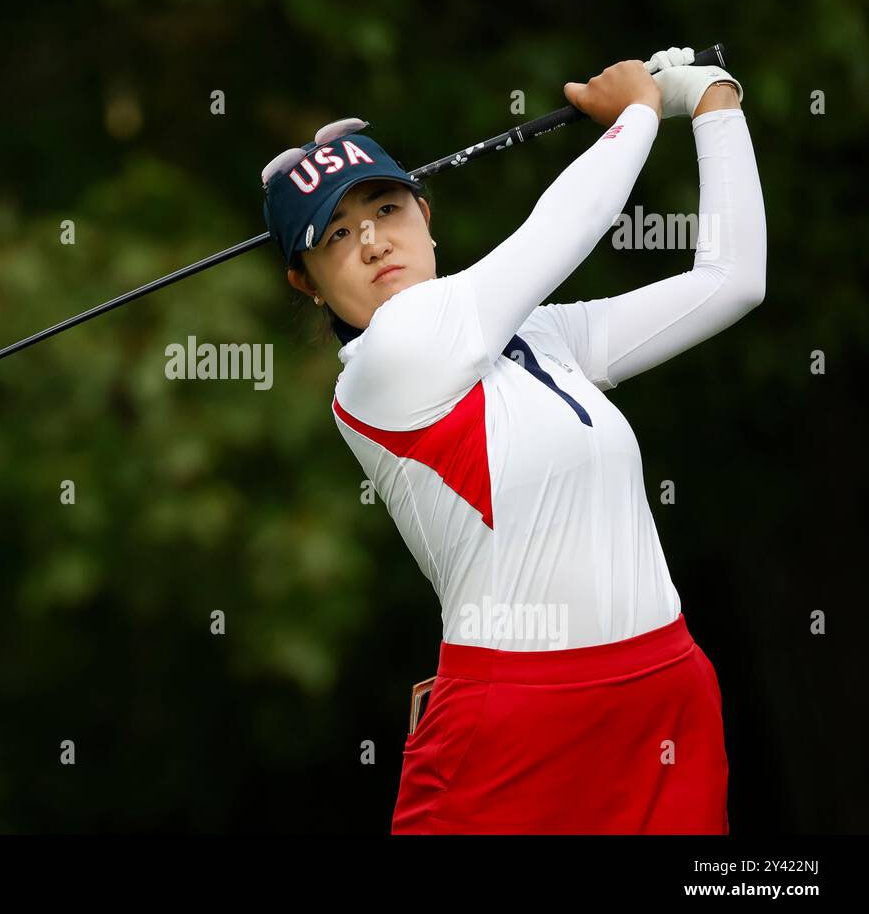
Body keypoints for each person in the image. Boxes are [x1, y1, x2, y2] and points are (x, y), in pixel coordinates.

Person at [259, 47, 764, 834]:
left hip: (666, 691)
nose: (370, 242)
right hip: (515, 725)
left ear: (424, 212)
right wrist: (635, 113)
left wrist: (713, 105)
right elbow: (566, 229)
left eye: (386, 209)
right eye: (335, 236)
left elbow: (732, 280)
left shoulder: (540, 337)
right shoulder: (385, 363)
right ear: (308, 282)